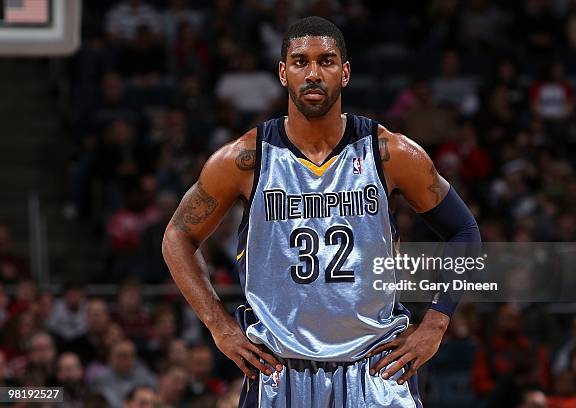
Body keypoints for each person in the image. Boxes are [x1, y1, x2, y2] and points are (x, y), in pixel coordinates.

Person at [162, 16, 480, 407]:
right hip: (279, 370)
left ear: (345, 73)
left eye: (326, 61)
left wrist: (436, 322)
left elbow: (464, 231)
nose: (313, 73)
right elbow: (178, 236)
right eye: (301, 62)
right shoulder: (246, 159)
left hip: (375, 368)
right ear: (283, 72)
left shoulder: (392, 154)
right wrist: (219, 326)